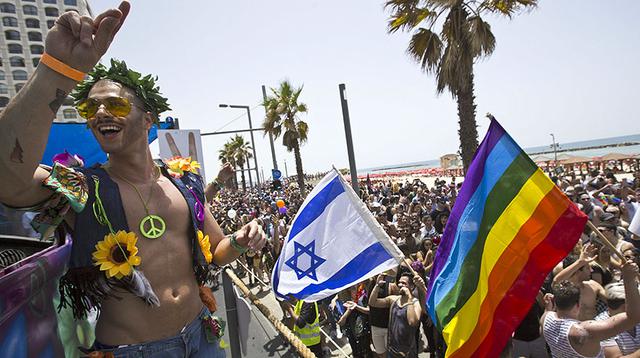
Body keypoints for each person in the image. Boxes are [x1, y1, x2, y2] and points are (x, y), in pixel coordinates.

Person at [0, 3, 266, 357]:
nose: (102, 114)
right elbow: (10, 179)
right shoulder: (83, 186)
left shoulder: (183, 181)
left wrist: (242, 240)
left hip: (201, 335)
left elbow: (216, 253)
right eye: (91, 109)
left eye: (117, 105)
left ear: (147, 120)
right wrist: (56, 71)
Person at [541, 260, 640, 357]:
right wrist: (629, 279)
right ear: (578, 305)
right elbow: (633, 318)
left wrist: (548, 308)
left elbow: (543, 326)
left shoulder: (546, 319)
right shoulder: (586, 331)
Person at [369, 272, 426, 358]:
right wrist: (377, 286)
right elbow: (373, 303)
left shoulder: (415, 303)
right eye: (399, 282)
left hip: (407, 352)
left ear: (411, 286)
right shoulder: (393, 299)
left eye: (404, 283)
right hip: (392, 349)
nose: (400, 285)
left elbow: (412, 322)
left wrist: (409, 297)